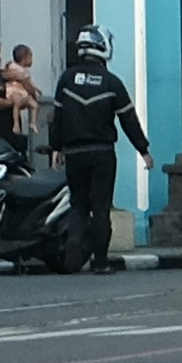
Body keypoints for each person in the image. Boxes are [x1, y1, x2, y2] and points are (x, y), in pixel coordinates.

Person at [47, 27, 154, 264]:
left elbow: (57, 117)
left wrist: (56, 148)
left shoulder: (66, 79)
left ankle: (73, 255)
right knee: (101, 207)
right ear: (104, 47)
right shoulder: (111, 82)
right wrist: (143, 150)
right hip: (102, 153)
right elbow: (129, 119)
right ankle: (101, 262)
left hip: (74, 153)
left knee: (78, 204)